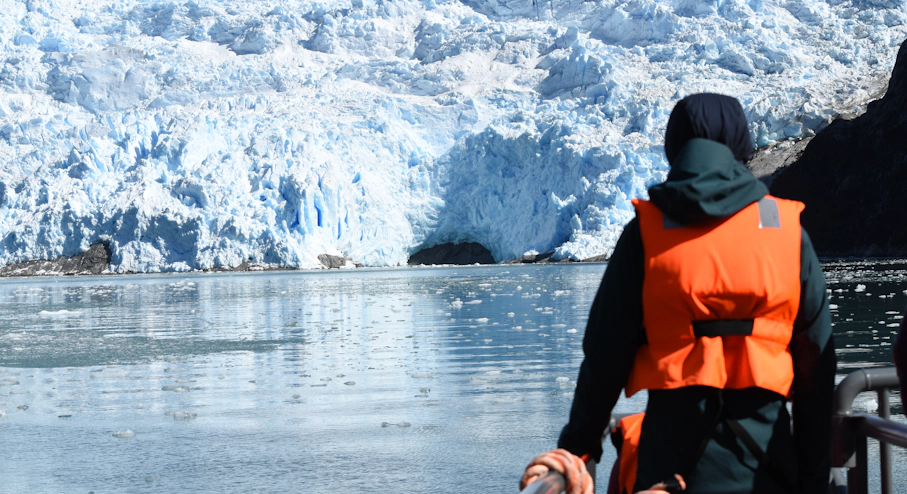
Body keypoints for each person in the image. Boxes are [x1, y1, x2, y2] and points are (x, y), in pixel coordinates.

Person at [550, 93, 836, 494]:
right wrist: (812, 481)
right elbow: (817, 373)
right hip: (768, 470)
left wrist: (577, 449)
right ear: (741, 146)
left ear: (674, 147)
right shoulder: (787, 234)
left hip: (668, 471)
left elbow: (604, 357)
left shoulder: (646, 234)